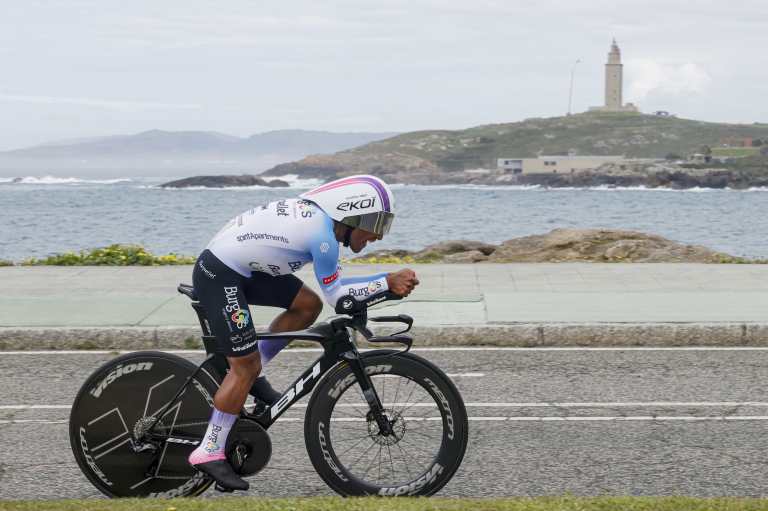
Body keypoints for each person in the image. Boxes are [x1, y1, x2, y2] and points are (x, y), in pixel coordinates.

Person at [187, 175, 419, 490]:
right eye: (376, 223)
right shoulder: (321, 235)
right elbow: (339, 298)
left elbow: (330, 294)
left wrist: (384, 282)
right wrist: (386, 282)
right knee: (245, 365)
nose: (378, 235)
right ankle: (209, 450)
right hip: (220, 274)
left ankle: (252, 376)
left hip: (240, 267)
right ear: (351, 213)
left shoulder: (322, 223)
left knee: (307, 306)